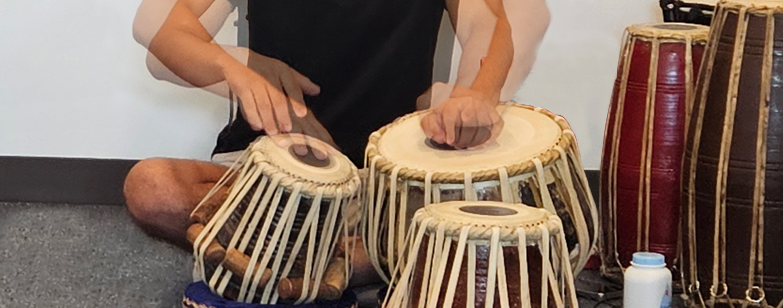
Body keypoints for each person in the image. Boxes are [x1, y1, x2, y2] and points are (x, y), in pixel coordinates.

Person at [124, 0, 549, 286]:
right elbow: (167, 30)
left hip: (381, 185)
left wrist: (474, 95)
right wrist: (241, 69)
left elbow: (489, 23)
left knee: (482, 211)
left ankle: (270, 265)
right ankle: (349, 267)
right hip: (266, 176)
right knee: (152, 187)